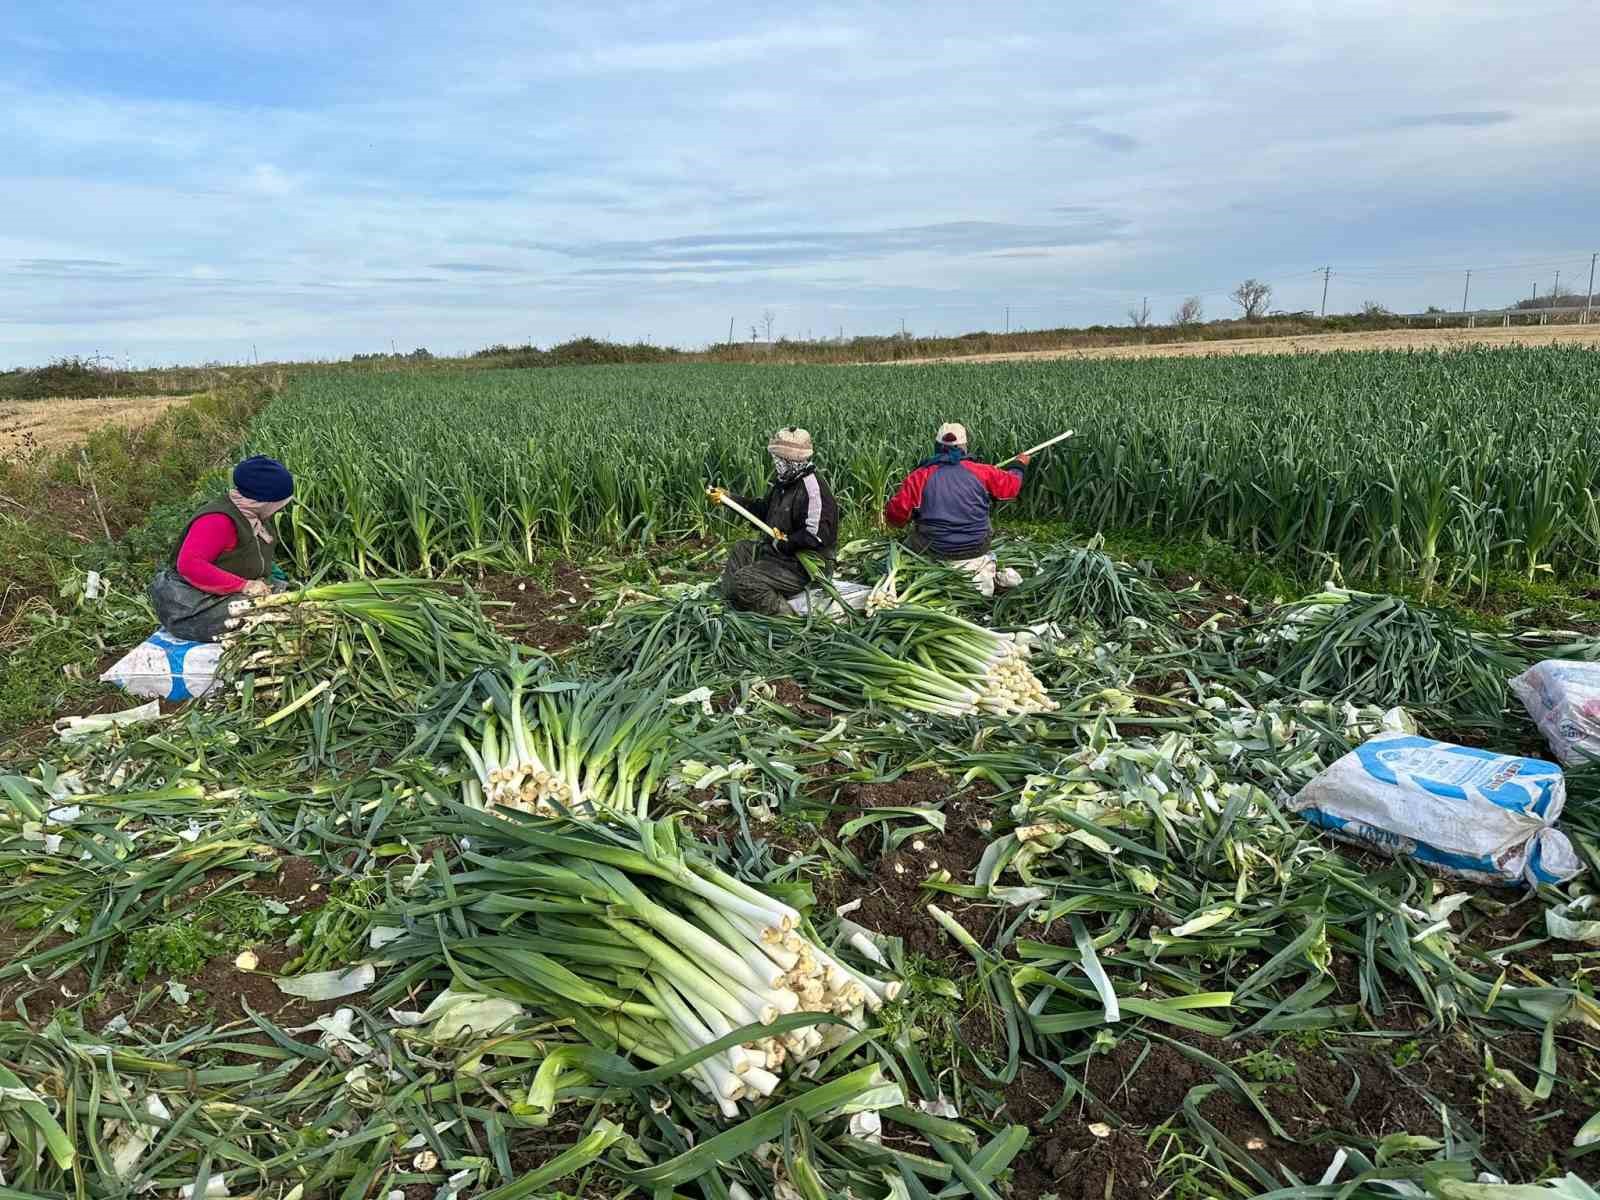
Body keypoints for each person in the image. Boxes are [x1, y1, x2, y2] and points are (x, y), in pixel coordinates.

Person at [149, 455, 294, 642]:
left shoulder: (253, 515)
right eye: (279, 503)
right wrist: (245, 585)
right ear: (264, 501)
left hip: (219, 591)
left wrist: (272, 573)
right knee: (260, 613)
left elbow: (254, 552)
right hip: (190, 601)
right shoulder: (218, 521)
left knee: (281, 597)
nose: (280, 509)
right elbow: (190, 565)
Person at [883, 422, 1029, 592]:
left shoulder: (919, 477)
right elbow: (1011, 486)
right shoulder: (983, 472)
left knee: (908, 542)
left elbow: (895, 517)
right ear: (964, 447)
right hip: (976, 547)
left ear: (937, 447)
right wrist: (1019, 465)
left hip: (934, 548)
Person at [710, 427, 838, 615]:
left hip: (804, 566)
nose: (775, 463)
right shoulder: (785, 482)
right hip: (781, 554)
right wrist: (729, 499)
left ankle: (787, 619)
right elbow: (762, 512)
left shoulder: (812, 489)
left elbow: (816, 535)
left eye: (779, 459)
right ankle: (730, 603)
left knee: (746, 580)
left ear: (792, 460)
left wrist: (786, 542)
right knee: (741, 549)